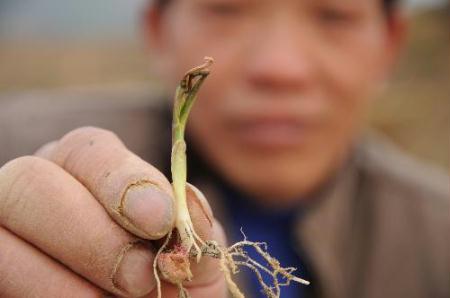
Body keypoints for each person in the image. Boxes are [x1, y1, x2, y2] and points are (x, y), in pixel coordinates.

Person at [0, 0, 448, 297]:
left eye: (334, 16)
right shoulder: (12, 144)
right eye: (226, 9)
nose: (280, 68)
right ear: (158, 32)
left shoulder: (438, 242)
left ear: (390, 45)